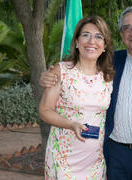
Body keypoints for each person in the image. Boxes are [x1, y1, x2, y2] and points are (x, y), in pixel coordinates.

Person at [40, 6, 132, 180]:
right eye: (126, 28)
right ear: (121, 34)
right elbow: (77, 74)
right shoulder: (111, 63)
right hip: (113, 155)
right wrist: (47, 77)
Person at [39, 16, 114, 180]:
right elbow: (45, 111)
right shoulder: (61, 71)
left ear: (105, 46)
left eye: (98, 36)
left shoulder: (108, 76)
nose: (91, 41)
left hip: (95, 161)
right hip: (64, 159)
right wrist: (71, 124)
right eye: (86, 35)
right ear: (77, 42)